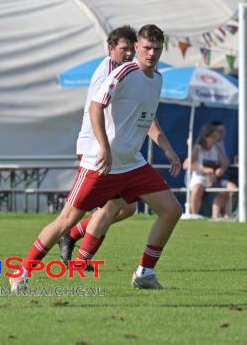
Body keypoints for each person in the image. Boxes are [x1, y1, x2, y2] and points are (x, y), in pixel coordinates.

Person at [10, 24, 182, 291]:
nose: (151, 53)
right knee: (67, 220)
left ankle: (144, 273)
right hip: (103, 165)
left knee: (171, 210)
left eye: (157, 49)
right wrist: (104, 146)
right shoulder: (122, 72)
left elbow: (147, 118)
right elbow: (95, 106)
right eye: (146, 47)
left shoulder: (157, 78)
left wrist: (168, 149)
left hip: (132, 164)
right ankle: (22, 271)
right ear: (137, 47)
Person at [58, 25, 138, 268]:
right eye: (124, 49)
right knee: (113, 205)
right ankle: (81, 259)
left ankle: (71, 235)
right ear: (111, 48)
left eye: (131, 50)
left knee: (129, 207)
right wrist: (105, 146)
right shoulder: (107, 73)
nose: (129, 54)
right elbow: (98, 111)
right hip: (96, 146)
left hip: (107, 145)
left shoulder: (124, 71)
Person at [186, 124, 231, 218]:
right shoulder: (198, 148)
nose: (216, 139)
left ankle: (220, 216)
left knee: (228, 189)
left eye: (216, 137)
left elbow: (225, 162)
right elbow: (186, 164)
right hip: (200, 177)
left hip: (214, 179)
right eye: (213, 137)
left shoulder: (217, 147)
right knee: (197, 189)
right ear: (206, 137)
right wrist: (203, 169)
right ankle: (194, 215)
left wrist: (221, 169)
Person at [211, 120, 238, 218]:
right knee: (231, 189)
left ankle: (224, 216)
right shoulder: (210, 145)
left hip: (221, 178)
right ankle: (224, 215)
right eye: (219, 131)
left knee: (226, 192)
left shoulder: (221, 143)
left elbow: (225, 162)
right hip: (211, 178)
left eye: (223, 131)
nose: (222, 133)